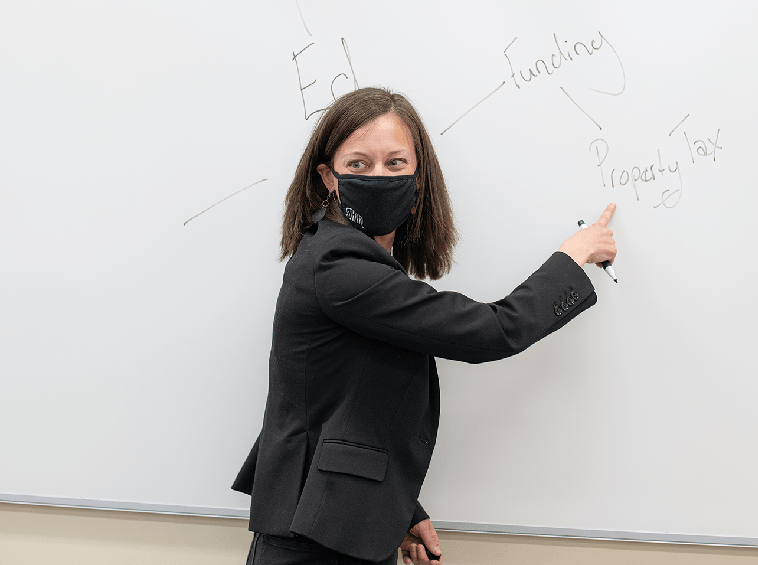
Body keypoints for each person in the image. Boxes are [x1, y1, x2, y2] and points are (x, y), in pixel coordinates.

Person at [232, 87, 617, 565]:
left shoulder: (348, 259)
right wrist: (572, 259)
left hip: (333, 524)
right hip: (311, 542)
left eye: (396, 164)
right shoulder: (339, 265)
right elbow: (490, 332)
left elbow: (348, 404)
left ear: (418, 178)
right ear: (329, 178)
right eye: (358, 165)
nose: (379, 177)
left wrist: (396, 509)